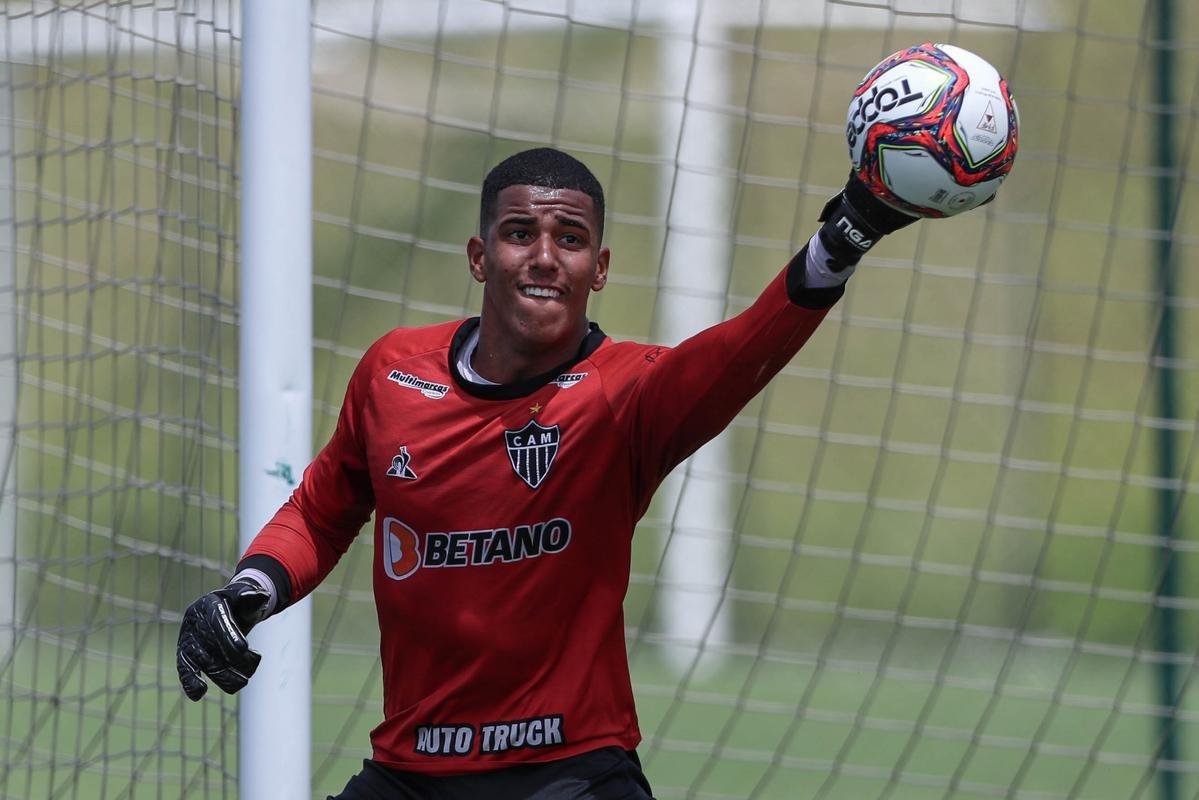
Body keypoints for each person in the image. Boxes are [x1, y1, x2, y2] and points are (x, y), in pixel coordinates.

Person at [176, 147, 918, 799]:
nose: (543, 256)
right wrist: (249, 591)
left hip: (570, 773)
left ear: (597, 270)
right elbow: (321, 509)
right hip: (411, 770)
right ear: (478, 256)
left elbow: (739, 348)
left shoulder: (626, 395)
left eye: (569, 239)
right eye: (518, 233)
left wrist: (842, 236)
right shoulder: (394, 373)